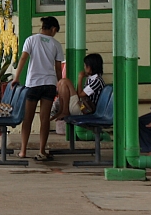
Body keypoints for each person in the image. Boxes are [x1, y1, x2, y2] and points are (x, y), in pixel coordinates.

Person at [11, 16, 64, 161]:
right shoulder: (56, 44)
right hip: (49, 84)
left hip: (33, 84)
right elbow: (58, 68)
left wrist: (16, 77)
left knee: (28, 117)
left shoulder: (31, 40)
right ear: (53, 29)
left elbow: (23, 58)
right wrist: (60, 84)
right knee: (44, 118)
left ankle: (23, 151)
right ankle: (42, 150)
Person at [52, 53, 106, 125]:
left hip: (85, 110)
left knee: (65, 81)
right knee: (61, 82)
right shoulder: (91, 78)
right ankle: (62, 110)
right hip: (82, 106)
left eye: (86, 65)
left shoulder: (97, 81)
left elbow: (80, 95)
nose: (84, 67)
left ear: (91, 66)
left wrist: (80, 78)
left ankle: (65, 111)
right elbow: (79, 93)